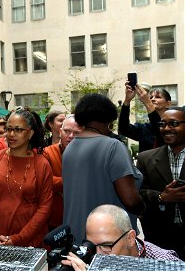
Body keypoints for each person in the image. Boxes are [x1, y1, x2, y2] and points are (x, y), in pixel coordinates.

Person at [62, 93, 145, 243]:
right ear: (108, 121)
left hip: (76, 235)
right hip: (107, 239)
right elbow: (130, 200)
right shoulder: (113, 146)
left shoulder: (70, 148)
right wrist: (144, 208)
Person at [0, 107, 53, 247]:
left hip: (29, 242)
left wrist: (18, 239)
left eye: (18, 129)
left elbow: (45, 207)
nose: (11, 134)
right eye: (9, 129)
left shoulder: (42, 164)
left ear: (30, 133)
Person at [62, 205, 181, 270]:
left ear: (130, 238)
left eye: (106, 246)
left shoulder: (166, 263)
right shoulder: (88, 258)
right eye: (91, 246)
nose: (97, 254)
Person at [137, 107, 185, 260]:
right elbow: (137, 193)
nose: (166, 128)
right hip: (160, 238)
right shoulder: (145, 158)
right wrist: (161, 197)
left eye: (173, 123)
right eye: (162, 124)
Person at [43, 115, 83, 230]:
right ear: (60, 132)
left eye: (76, 133)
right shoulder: (48, 152)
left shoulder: (89, 155)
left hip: (81, 219)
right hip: (54, 220)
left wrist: (59, 184)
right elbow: (45, 183)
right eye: (67, 131)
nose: (70, 136)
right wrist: (74, 182)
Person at [118, 83, 171, 152]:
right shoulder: (144, 128)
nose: (152, 99)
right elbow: (123, 129)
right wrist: (127, 101)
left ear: (168, 104)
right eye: (151, 97)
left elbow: (160, 130)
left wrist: (148, 103)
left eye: (158, 97)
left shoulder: (174, 126)